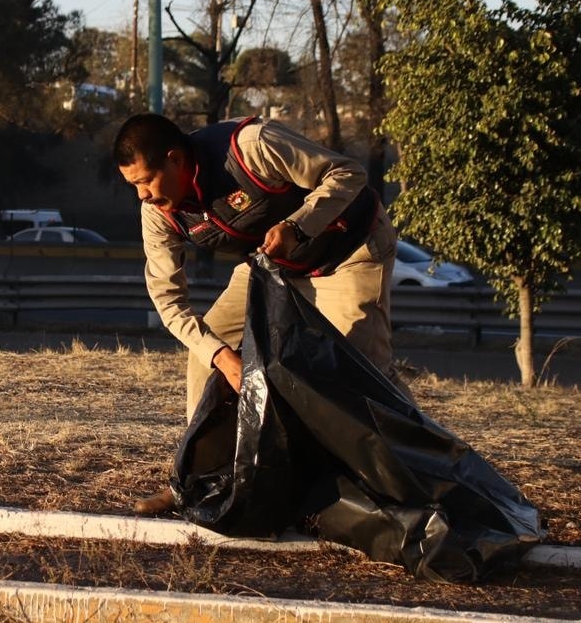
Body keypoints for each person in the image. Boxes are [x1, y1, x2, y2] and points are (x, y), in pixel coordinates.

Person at [114, 113, 397, 515]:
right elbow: (167, 299)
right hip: (272, 265)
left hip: (347, 252)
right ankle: (199, 483)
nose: (141, 195)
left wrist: (298, 226)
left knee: (359, 375)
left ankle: (406, 488)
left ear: (175, 160)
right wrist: (219, 354)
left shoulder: (252, 147)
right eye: (133, 186)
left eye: (145, 181)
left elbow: (348, 174)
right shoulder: (157, 212)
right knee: (204, 357)